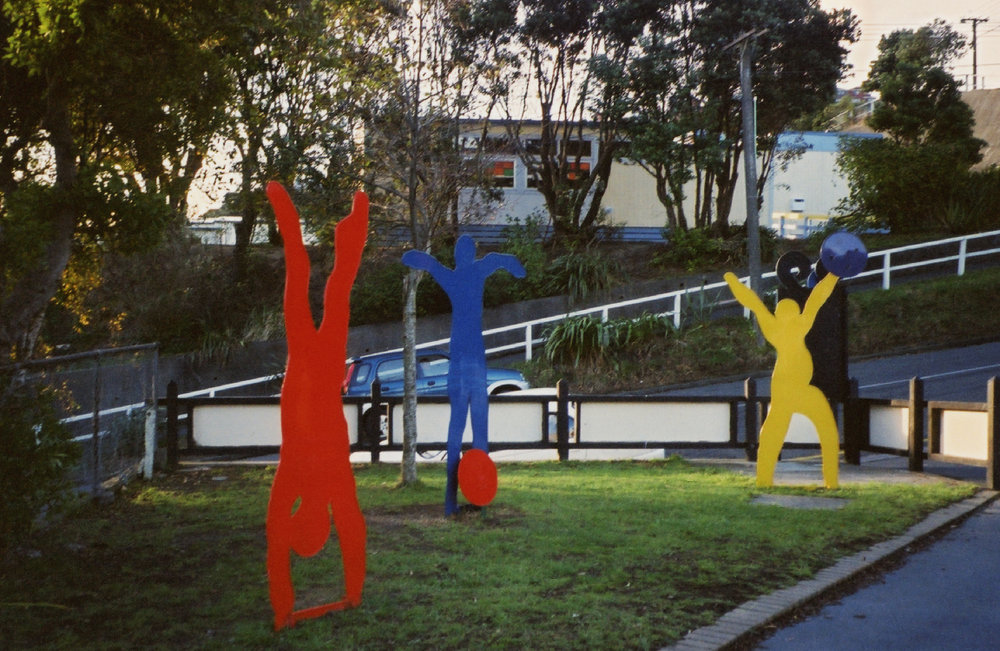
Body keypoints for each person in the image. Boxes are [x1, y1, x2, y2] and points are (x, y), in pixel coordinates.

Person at [265, 182, 368, 629]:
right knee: (329, 289)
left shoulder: (299, 477)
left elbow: (279, 537)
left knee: (319, 285)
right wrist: (350, 592)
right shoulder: (330, 480)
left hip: (311, 366)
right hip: (320, 368)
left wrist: (284, 609)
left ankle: (332, 227)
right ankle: (344, 230)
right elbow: (351, 528)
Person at [402, 236, 525, 515]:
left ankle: (451, 501)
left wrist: (410, 258)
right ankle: (479, 500)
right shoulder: (478, 270)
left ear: (458, 256)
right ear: (471, 255)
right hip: (475, 362)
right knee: (480, 431)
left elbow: (430, 264)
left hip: (459, 362)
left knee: (456, 430)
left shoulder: (453, 277)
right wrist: (515, 268)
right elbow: (497, 260)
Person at [724, 271, 840, 489]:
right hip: (793, 389)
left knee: (776, 434)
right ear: (793, 313)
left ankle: (768, 481)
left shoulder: (776, 328)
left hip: (791, 388)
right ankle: (829, 482)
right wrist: (833, 276)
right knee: (823, 432)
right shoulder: (797, 325)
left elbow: (753, 302)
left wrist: (732, 281)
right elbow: (816, 298)